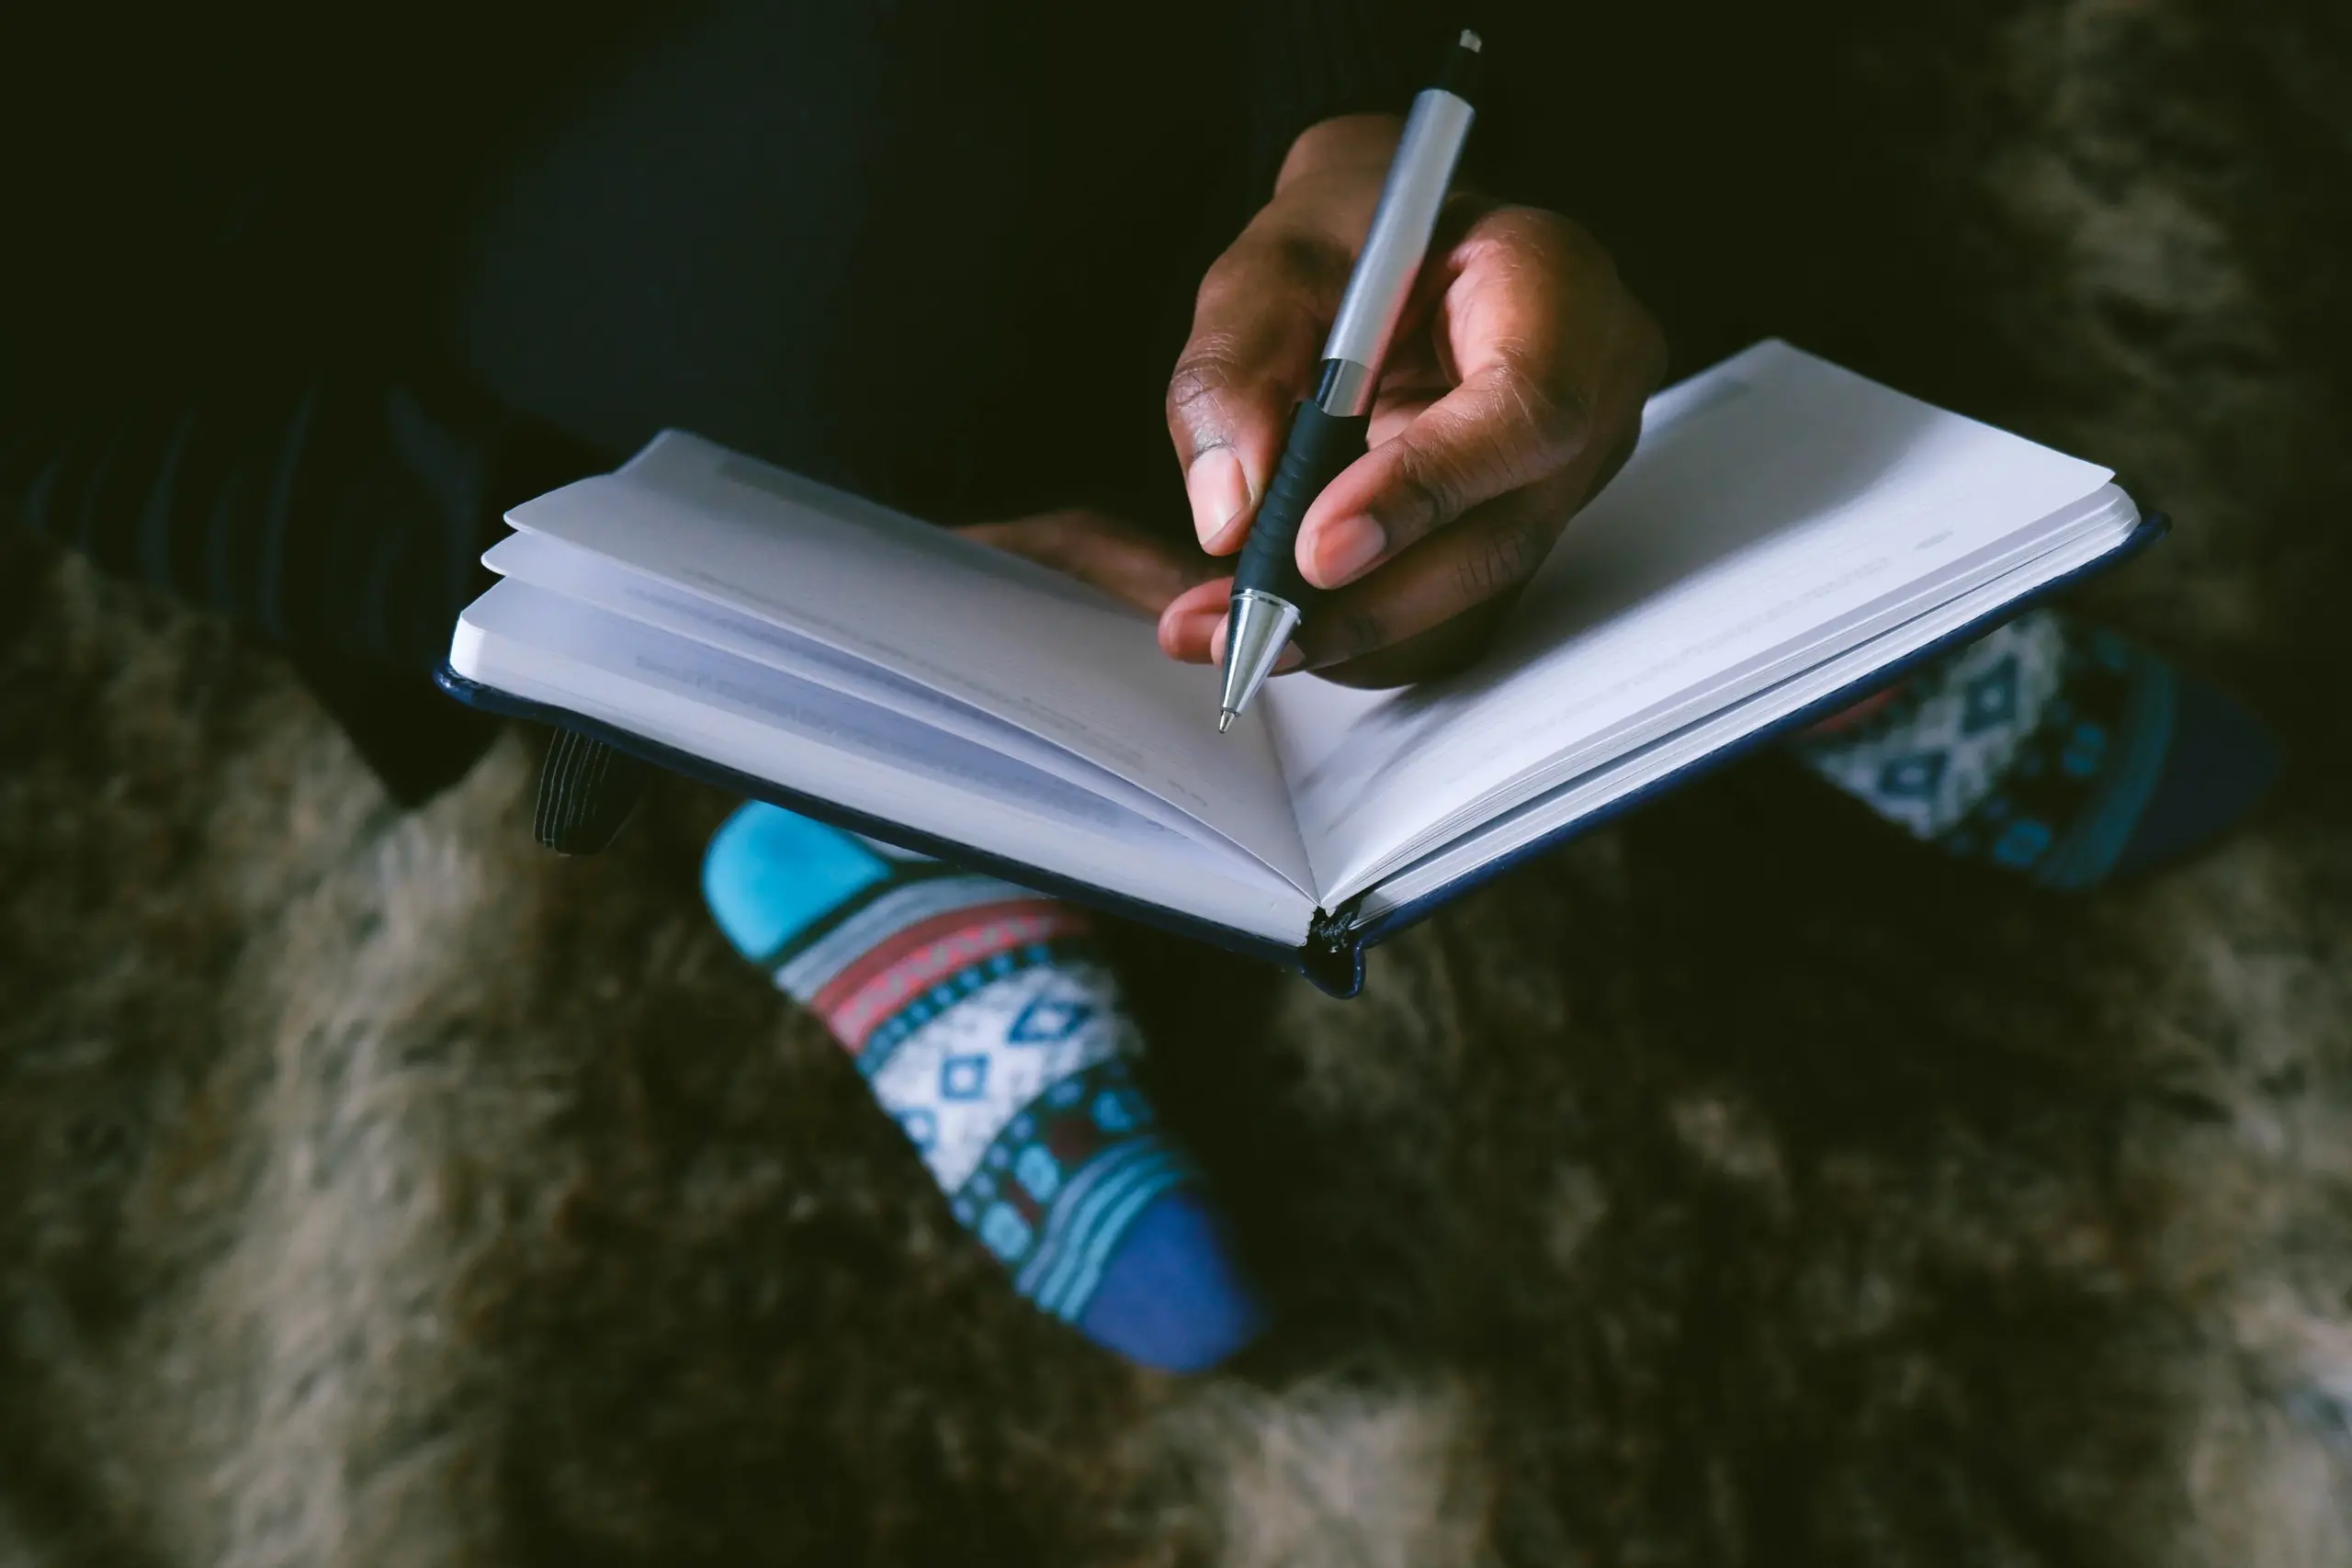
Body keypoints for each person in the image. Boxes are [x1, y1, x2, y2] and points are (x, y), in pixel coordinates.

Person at [1, 1, 2277, 1373]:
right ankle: (822, 783)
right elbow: (87, 376)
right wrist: (653, 579)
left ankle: (1656, 558)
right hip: (458, 244)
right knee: (802, 317)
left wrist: (1366, 96)